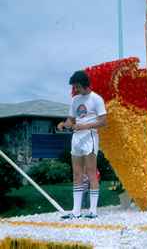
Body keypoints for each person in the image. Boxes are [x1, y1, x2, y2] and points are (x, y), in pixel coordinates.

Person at [57, 70, 107, 219]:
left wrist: (84, 127)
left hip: (90, 137)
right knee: (77, 174)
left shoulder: (96, 99)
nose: (75, 89)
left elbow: (103, 121)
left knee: (91, 173)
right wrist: (63, 124)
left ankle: (93, 211)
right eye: (74, 87)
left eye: (77, 86)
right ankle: (76, 212)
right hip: (76, 138)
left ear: (85, 85)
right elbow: (71, 120)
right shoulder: (75, 100)